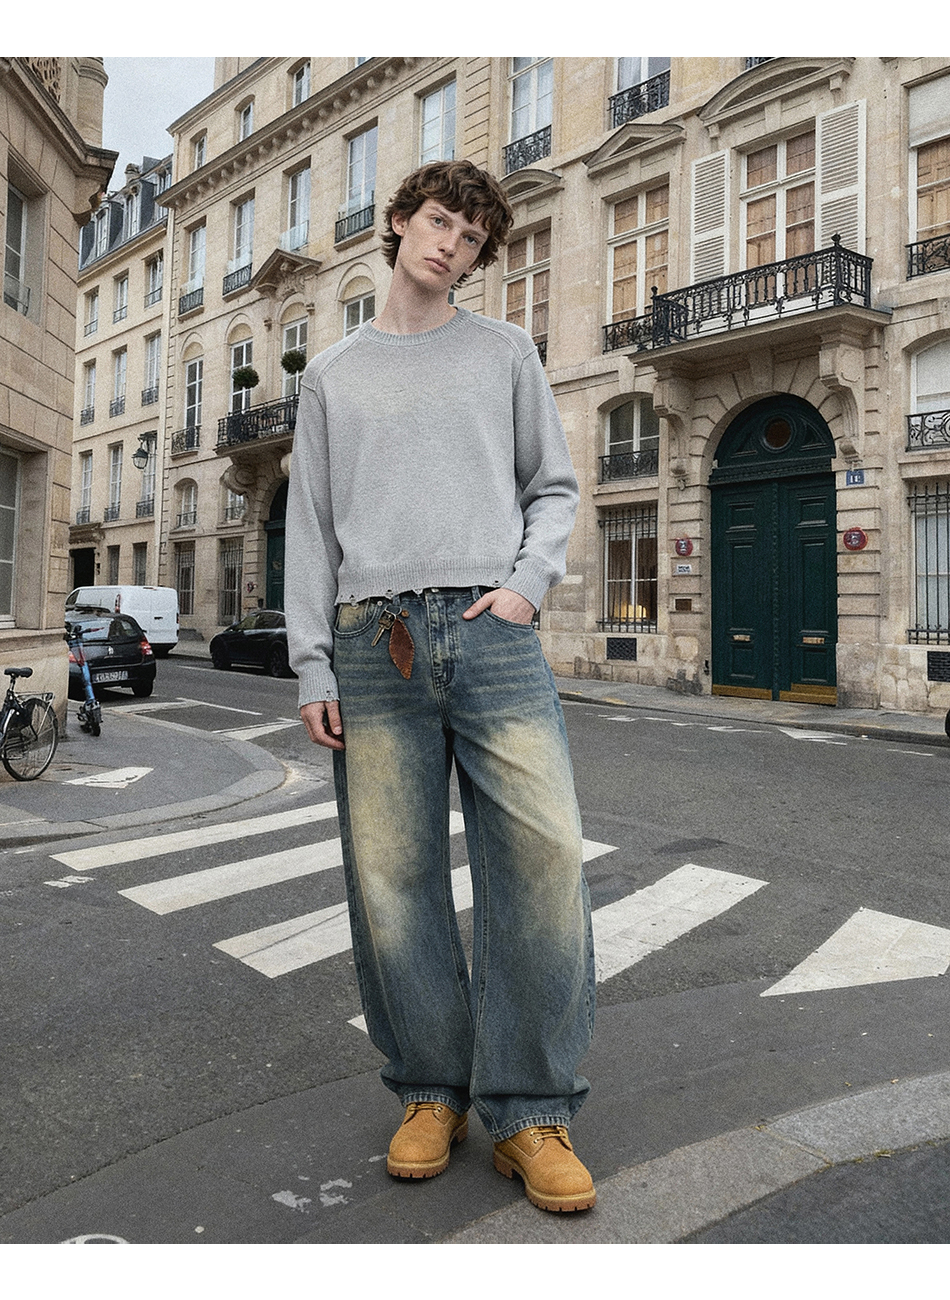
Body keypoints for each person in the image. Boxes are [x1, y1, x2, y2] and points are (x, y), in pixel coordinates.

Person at [285, 159, 596, 1213]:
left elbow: (553, 486)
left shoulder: (504, 351)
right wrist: (311, 660)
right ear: (398, 223)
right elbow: (309, 526)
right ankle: (429, 1087)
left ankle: (530, 1107)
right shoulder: (332, 374)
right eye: (436, 222)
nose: (449, 245)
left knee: (543, 859)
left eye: (469, 238)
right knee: (392, 877)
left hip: (490, 633)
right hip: (372, 642)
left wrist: (523, 589)